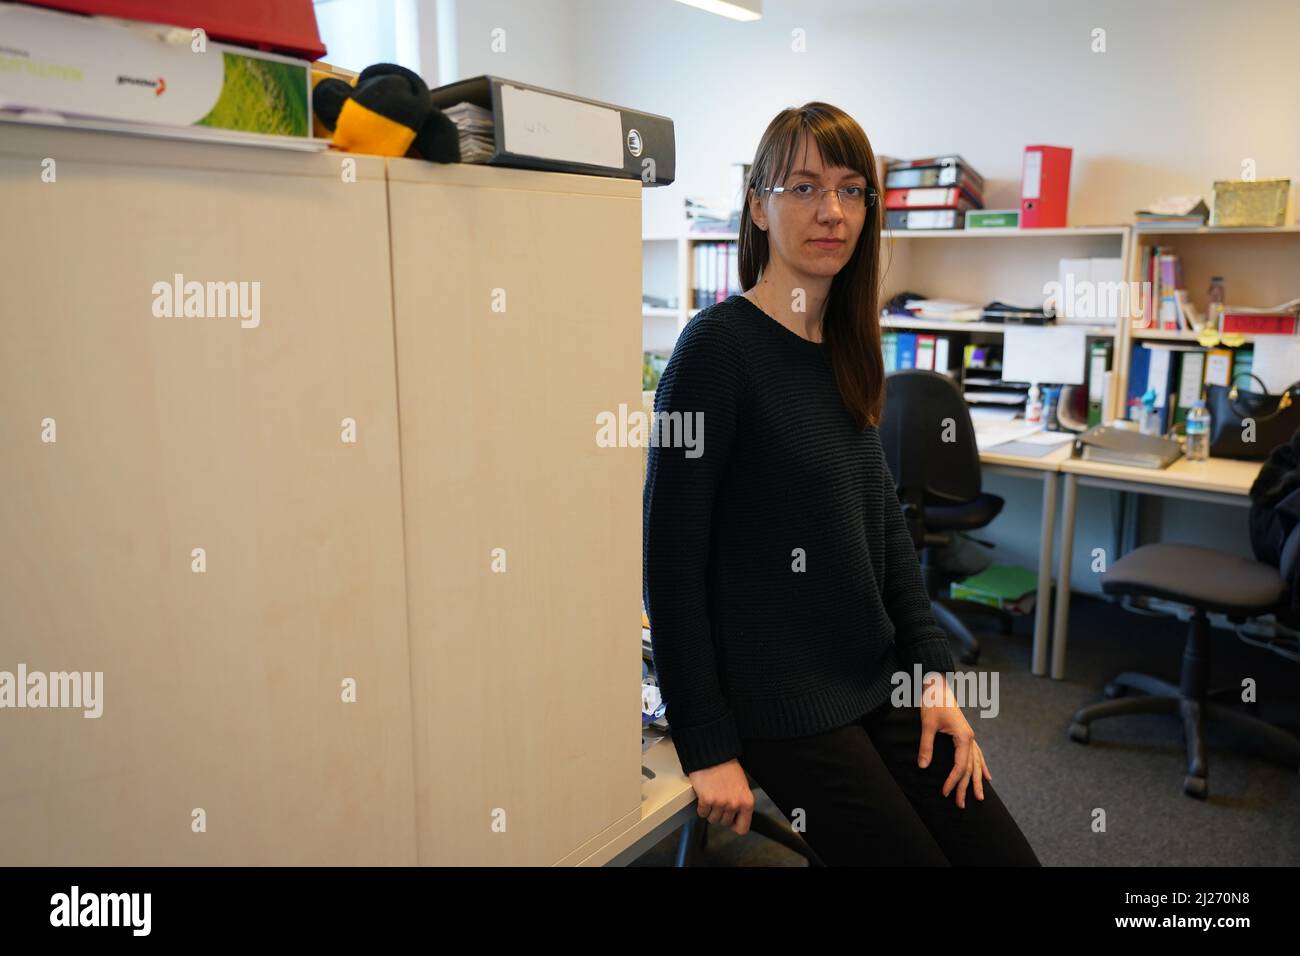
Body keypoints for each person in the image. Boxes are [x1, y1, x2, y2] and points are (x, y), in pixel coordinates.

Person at [642, 102, 1040, 866]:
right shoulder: (715, 351)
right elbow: (671, 558)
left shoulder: (845, 349)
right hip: (780, 705)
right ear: (758, 206)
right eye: (802, 187)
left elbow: (885, 528)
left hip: (874, 678)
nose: (830, 211)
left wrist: (932, 680)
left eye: (852, 189)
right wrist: (706, 743)